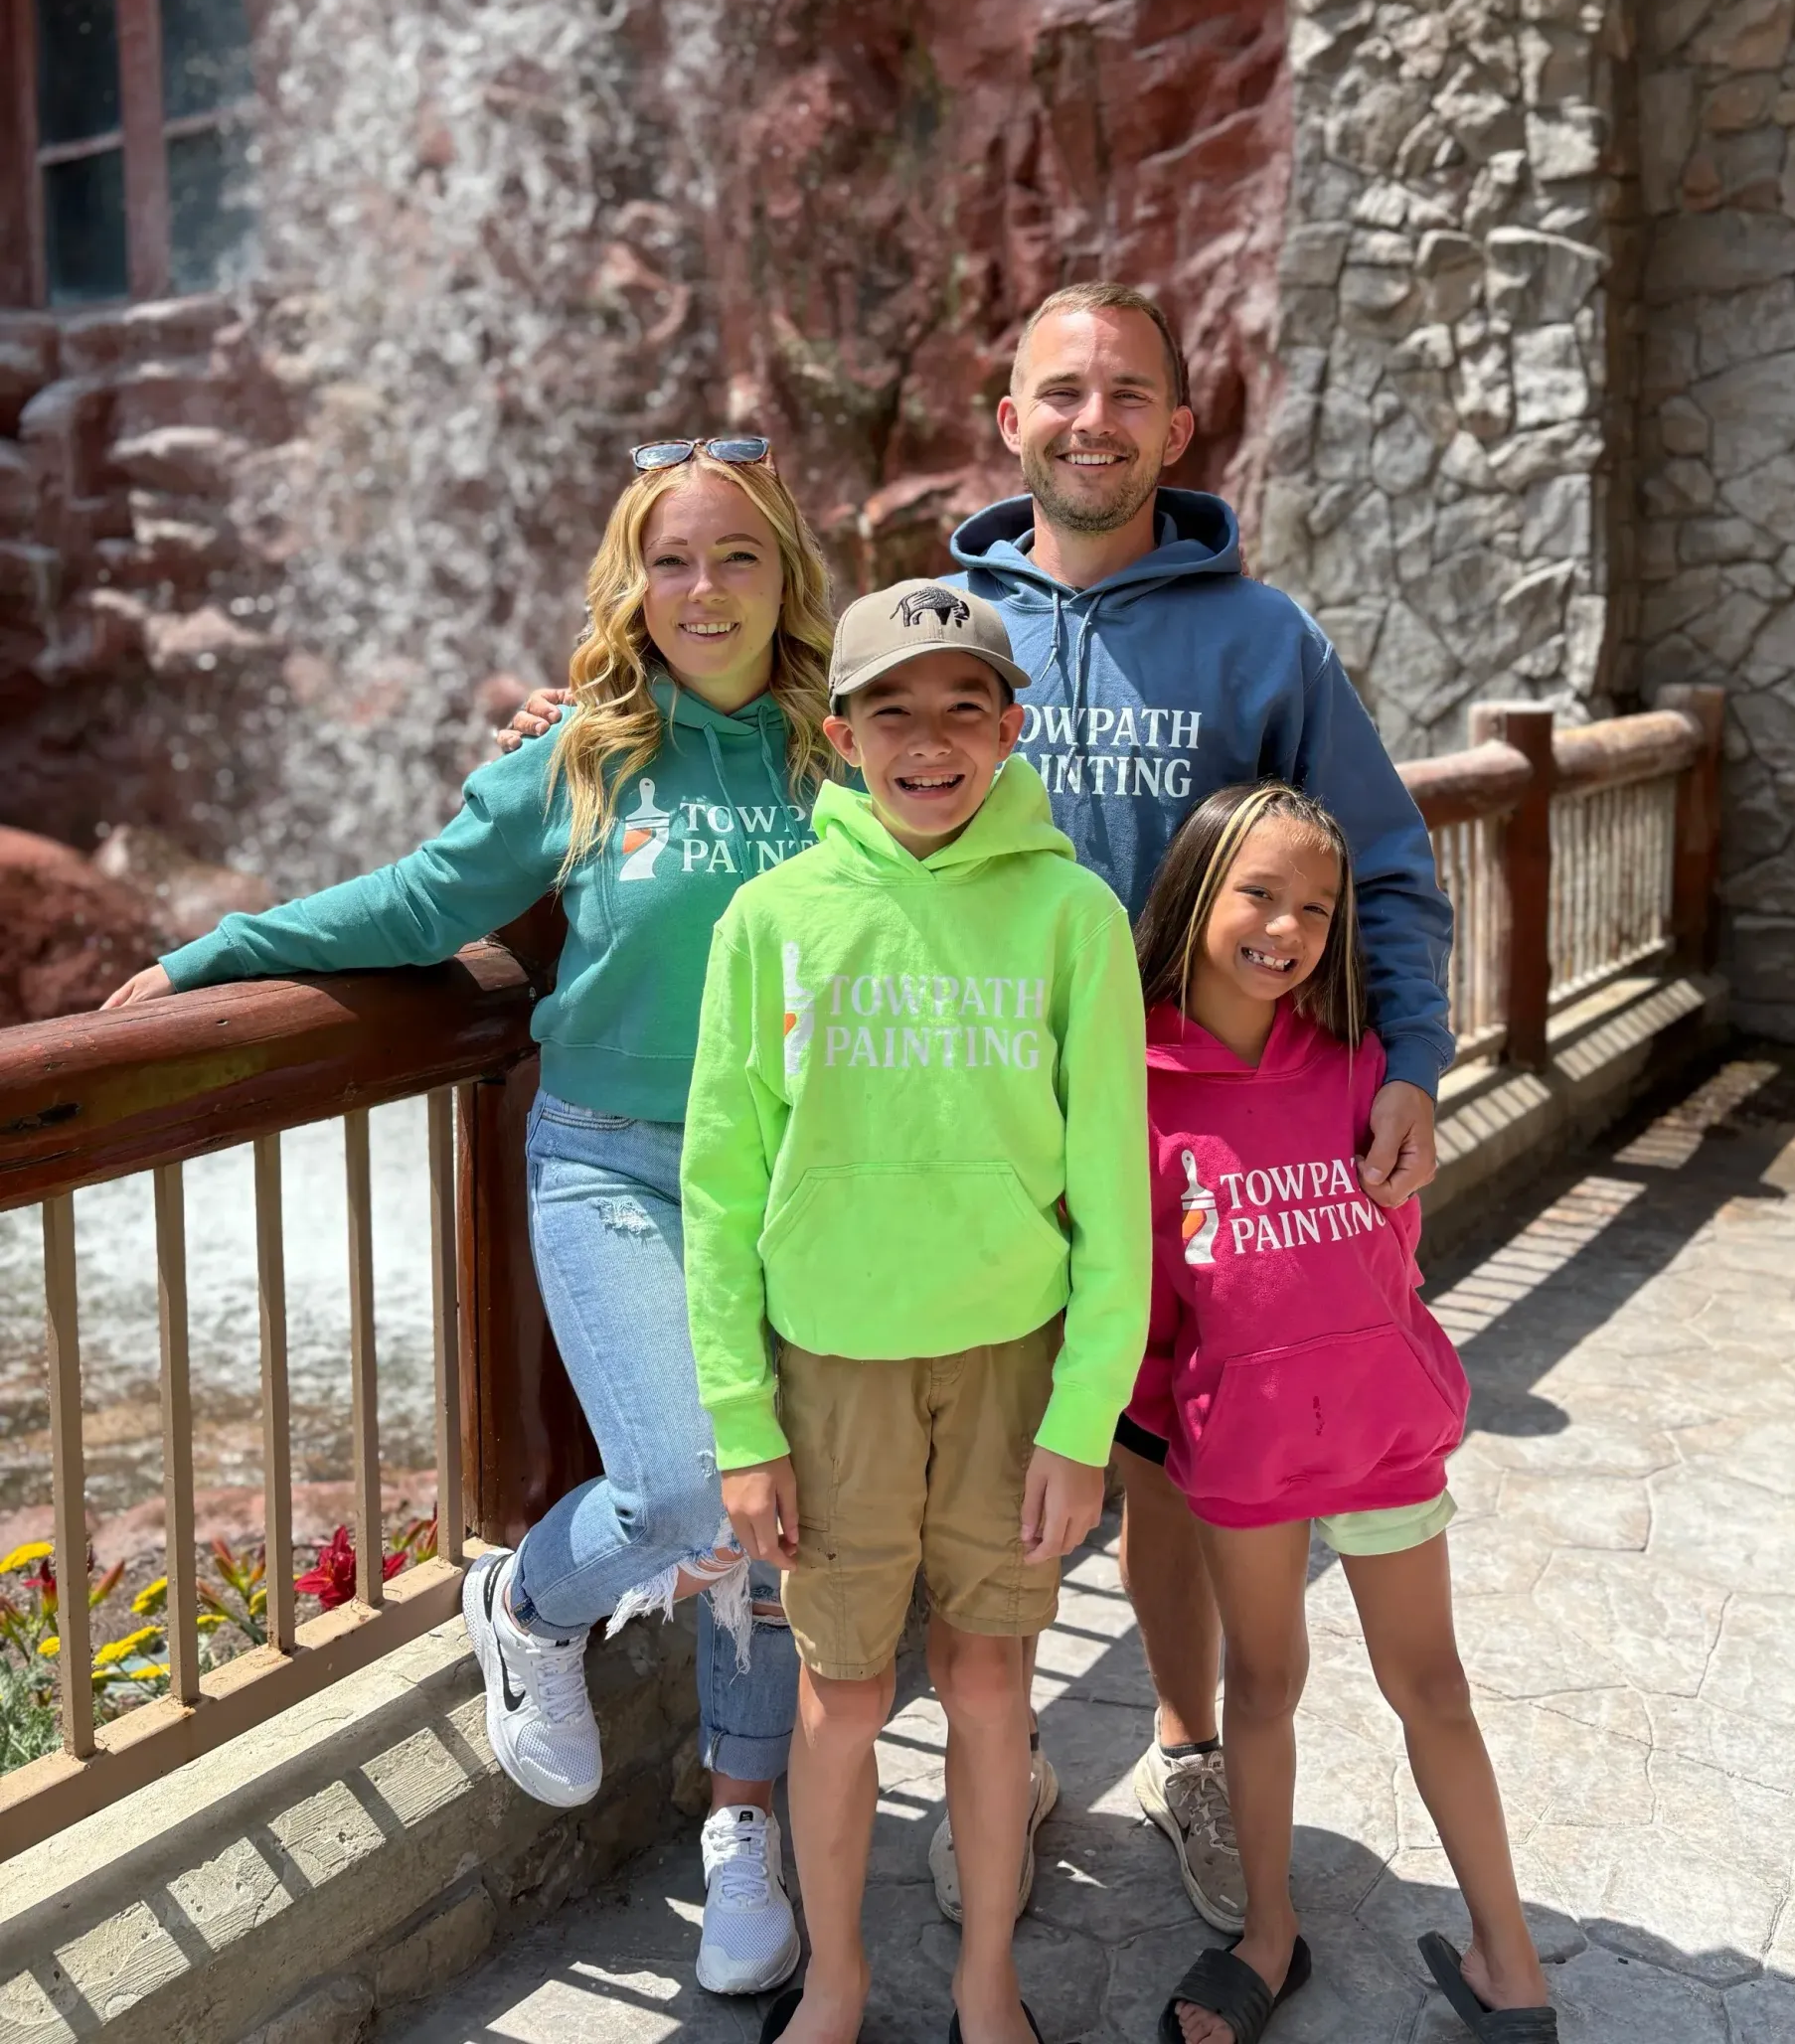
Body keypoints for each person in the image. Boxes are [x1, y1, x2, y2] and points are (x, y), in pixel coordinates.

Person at [499, 279, 1455, 1931]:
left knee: (1163, 1453)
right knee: (953, 1471)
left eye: (1128, 391)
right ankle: (993, 1768)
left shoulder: (1258, 637)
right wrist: (572, 727)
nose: (1093, 418)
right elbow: (763, 694)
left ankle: (1186, 1744)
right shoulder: (942, 614)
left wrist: (1418, 1065)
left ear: (1175, 422)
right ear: (1007, 422)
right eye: (1059, 391)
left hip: (1193, 1121)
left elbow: (1376, 859)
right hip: (960, 1129)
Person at [102, 438, 839, 2000]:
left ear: (789, 580)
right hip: (608, 1165)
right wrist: (212, 955)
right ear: (634, 590)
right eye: (674, 560)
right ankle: (525, 1599)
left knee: (772, 1533)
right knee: (696, 1486)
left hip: (789, 1192)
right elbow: (424, 904)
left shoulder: (831, 764)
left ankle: (743, 1830)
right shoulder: (581, 754)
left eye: (737, 558)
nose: (703, 589)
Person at [679, 580, 1152, 2044]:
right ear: (841, 733)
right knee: (840, 1689)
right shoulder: (772, 918)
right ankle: (836, 1979)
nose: (930, 743)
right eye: (895, 710)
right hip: (830, 1373)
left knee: (992, 1676)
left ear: (1014, 730)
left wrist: (1086, 1423)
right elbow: (717, 1180)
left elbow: (1116, 1202)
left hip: (1015, 1370)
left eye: (965, 711)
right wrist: (741, 1423)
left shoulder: (1074, 915)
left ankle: (985, 1979)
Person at [1129, 781, 1551, 2044]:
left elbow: (1393, 1257)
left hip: (1381, 1439)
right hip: (1244, 1457)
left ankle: (1508, 1956)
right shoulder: (1135, 1088)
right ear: (1196, 893)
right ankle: (1268, 1936)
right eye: (1259, 893)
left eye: (1317, 905)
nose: (1287, 926)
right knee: (1262, 1685)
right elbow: (1146, 1302)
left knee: (1436, 1685)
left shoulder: (1370, 1068)